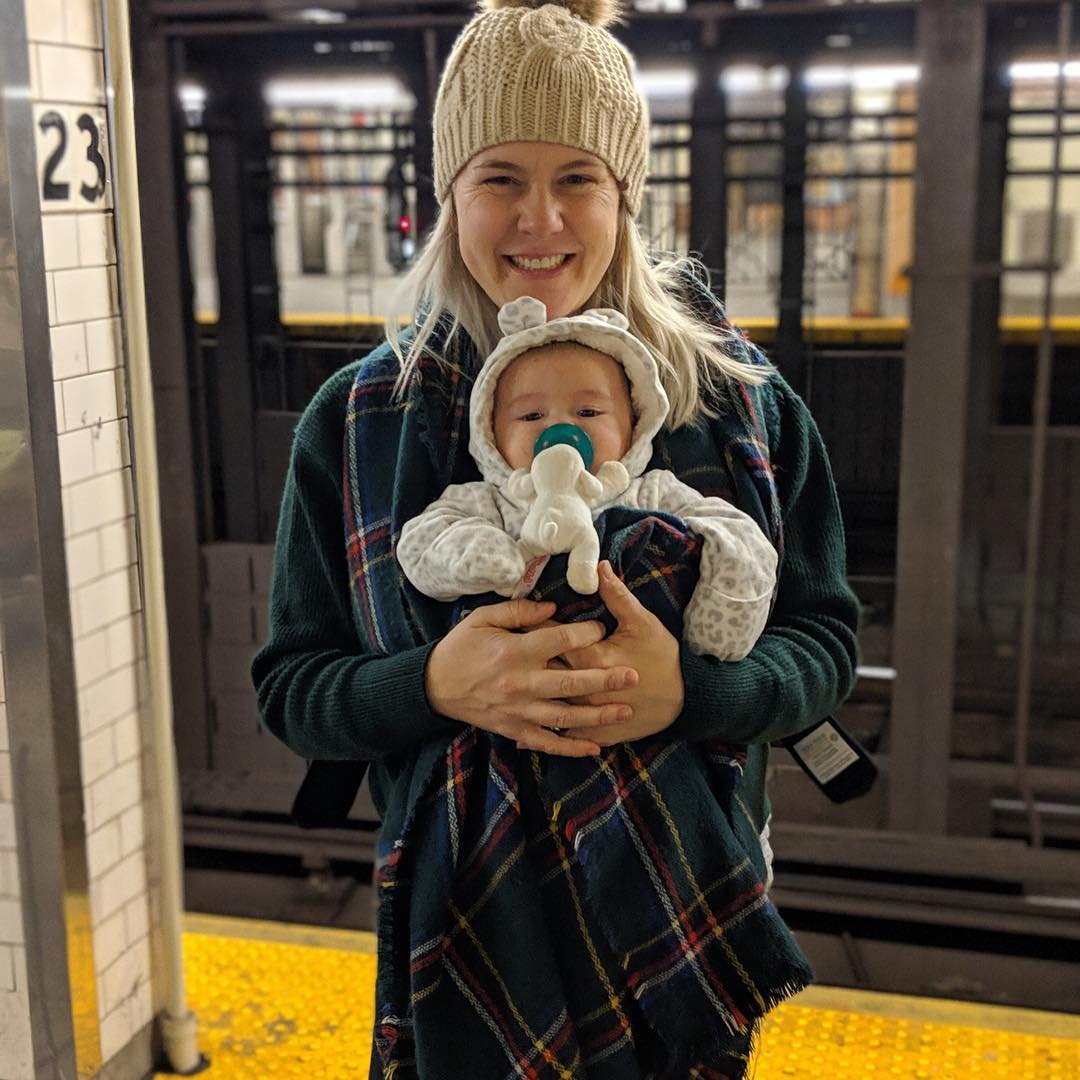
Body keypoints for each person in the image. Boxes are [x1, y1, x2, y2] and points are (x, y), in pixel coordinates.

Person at [251, 0, 860, 1074]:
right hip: (462, 914)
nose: (541, 221)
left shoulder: (740, 407)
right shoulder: (357, 425)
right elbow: (293, 688)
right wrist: (434, 685)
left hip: (690, 906)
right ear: (450, 194)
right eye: (500, 179)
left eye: (578, 178)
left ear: (627, 197)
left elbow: (823, 644)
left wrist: (698, 695)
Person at [396, 295, 778, 665]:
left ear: (634, 428)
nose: (561, 427)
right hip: (506, 690)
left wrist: (716, 632)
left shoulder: (651, 492)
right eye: (531, 416)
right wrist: (482, 554)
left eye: (588, 411)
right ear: (490, 436)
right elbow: (420, 543)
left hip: (637, 682)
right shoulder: (490, 501)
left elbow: (737, 535)